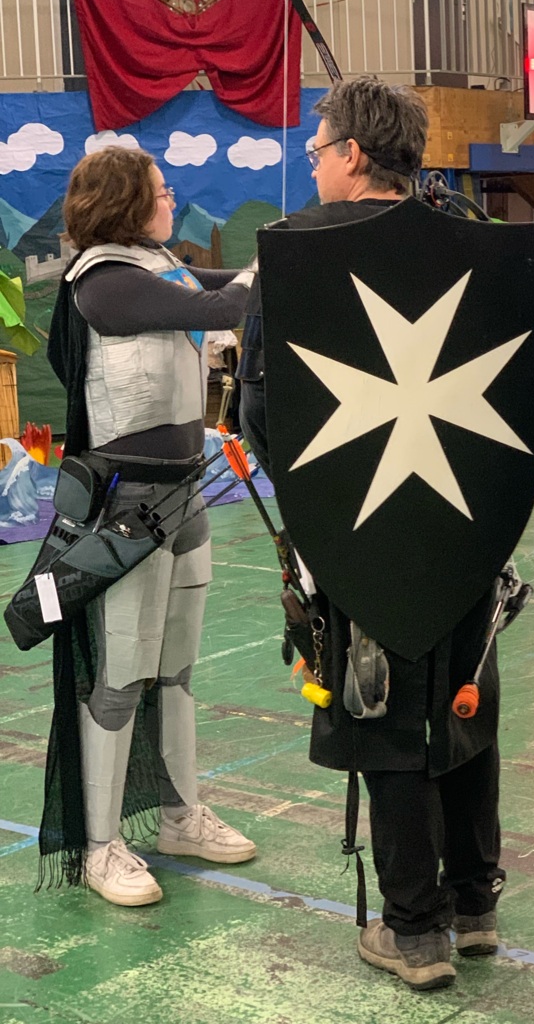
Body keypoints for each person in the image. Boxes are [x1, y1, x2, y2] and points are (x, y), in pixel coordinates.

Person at [239, 76, 506, 991]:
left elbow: (260, 409)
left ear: (354, 153)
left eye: (319, 149)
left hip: (355, 524)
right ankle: (475, 905)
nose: (312, 164)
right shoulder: (470, 240)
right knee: (464, 699)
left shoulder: (293, 251)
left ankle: (414, 931)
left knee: (383, 709)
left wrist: (318, 502)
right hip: (467, 519)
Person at [44, 146, 258, 906]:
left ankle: (178, 816)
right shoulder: (103, 283)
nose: (171, 200)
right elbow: (221, 308)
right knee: (121, 677)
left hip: (185, 497)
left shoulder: (154, 268)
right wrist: (273, 266)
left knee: (176, 672)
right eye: (161, 191)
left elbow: (217, 289)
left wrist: (278, 260)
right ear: (126, 202)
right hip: (127, 508)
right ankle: (101, 846)